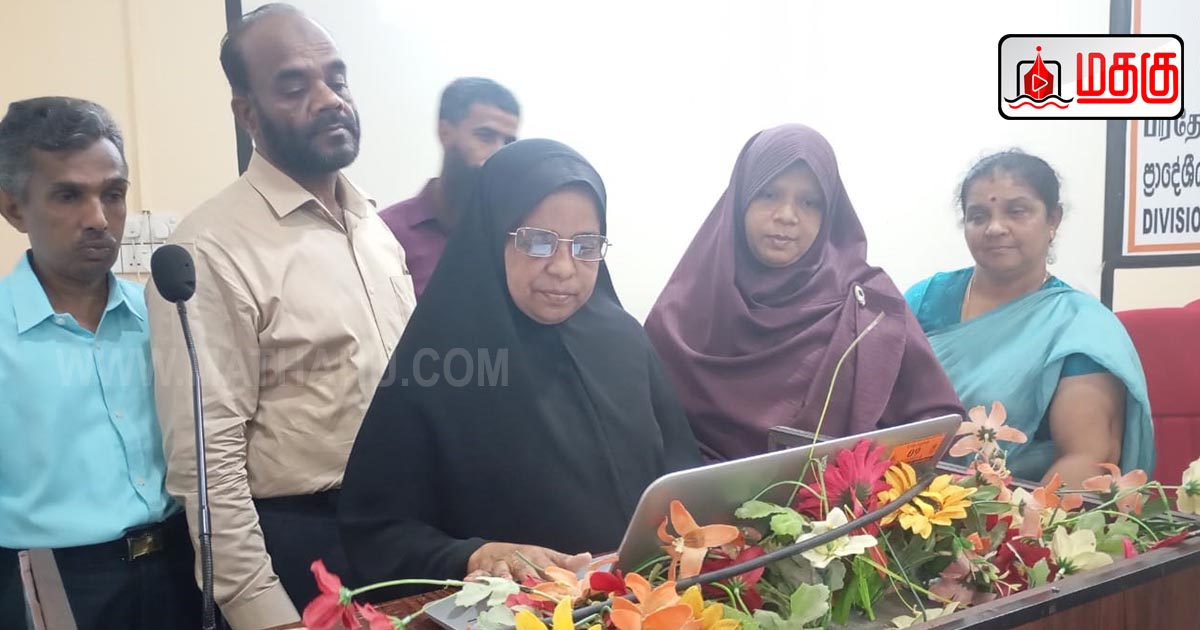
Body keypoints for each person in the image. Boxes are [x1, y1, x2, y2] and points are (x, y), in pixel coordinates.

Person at [146, 4, 415, 628]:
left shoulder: (374, 229)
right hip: (303, 546)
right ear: (247, 113)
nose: (330, 99)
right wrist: (261, 611)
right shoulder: (210, 249)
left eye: (338, 79)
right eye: (295, 86)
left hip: (403, 531)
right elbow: (207, 463)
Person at [339, 139, 701, 595]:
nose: (564, 267)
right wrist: (475, 554)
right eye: (537, 241)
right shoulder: (440, 361)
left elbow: (679, 473)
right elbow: (377, 530)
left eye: (586, 245)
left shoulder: (624, 340)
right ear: (493, 237)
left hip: (648, 600)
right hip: (508, 611)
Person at [645, 124, 962, 462]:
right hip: (693, 493)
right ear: (741, 199)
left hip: (840, 495)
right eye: (768, 194)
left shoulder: (868, 307)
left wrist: (870, 476)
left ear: (830, 213)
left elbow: (937, 426)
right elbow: (645, 432)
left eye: (809, 202)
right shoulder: (681, 311)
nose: (786, 216)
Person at [0, 97, 200, 629]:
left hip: (181, 567)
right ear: (14, 208)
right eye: (68, 195)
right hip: (56, 583)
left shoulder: (166, 316)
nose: (98, 219)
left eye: (113, 194)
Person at [905, 150, 1153, 486]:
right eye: (978, 216)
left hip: (1021, 509)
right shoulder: (924, 301)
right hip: (902, 501)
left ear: (1053, 219)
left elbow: (1085, 458)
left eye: (1017, 211)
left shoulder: (1079, 327)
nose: (995, 228)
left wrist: (1011, 513)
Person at [379, 77, 519, 298]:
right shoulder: (386, 235)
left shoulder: (517, 238)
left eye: (509, 143)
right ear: (445, 132)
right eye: (485, 136)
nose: (498, 153)